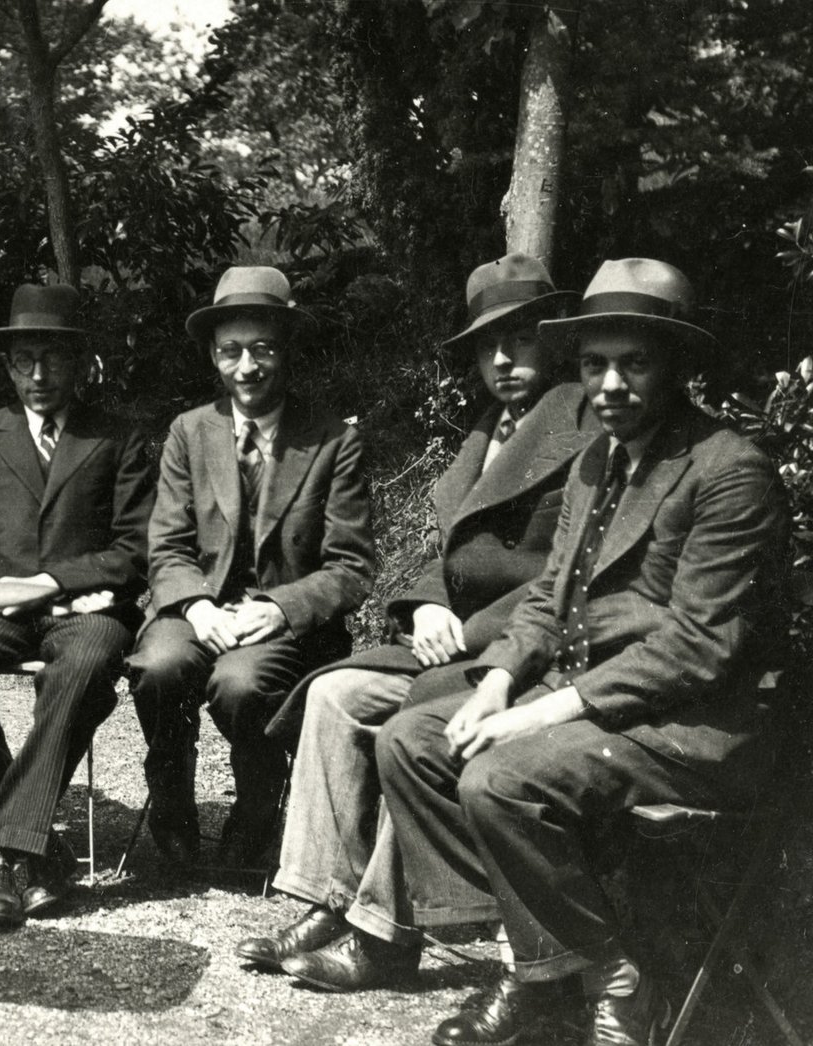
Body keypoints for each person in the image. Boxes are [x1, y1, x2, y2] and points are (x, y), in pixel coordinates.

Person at [377, 258, 787, 1046]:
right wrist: (496, 683)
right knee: (414, 741)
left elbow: (700, 649)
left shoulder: (728, 471)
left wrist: (540, 715)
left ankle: (608, 985)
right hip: (597, 703)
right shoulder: (596, 460)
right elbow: (547, 598)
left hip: (692, 726)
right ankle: (561, 965)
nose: (610, 385)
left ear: (676, 366)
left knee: (498, 776)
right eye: (595, 364)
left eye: (634, 363)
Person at [235, 254, 597, 986]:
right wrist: (427, 601)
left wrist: (468, 630)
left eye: (521, 339)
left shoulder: (585, 427)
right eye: (487, 346)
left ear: (555, 339)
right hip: (456, 638)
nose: (502, 359)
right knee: (336, 695)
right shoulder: (486, 430)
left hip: (524, 654)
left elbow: (570, 577)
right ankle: (322, 897)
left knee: (425, 715)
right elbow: (450, 548)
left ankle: (385, 933)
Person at [0, 283, 155, 929]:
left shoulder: (116, 438)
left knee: (88, 661)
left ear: (79, 364)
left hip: (86, 608)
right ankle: (30, 841)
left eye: (53, 358)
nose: (40, 375)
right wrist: (18, 587)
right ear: (7, 364)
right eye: (25, 359)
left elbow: (135, 544)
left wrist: (54, 582)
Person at [126, 266, 375, 869]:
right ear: (213, 355)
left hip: (277, 620)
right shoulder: (190, 431)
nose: (247, 368)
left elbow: (350, 565)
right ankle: (171, 801)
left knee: (239, 686)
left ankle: (257, 806)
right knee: (159, 665)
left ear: (286, 351)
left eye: (262, 349)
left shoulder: (332, 441)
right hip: (197, 607)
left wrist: (281, 609)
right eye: (230, 351)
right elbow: (167, 544)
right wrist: (198, 605)